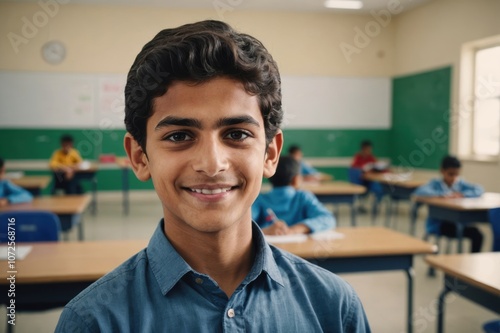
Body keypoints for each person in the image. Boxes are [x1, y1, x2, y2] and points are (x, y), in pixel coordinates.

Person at [55, 20, 370, 332]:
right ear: (140, 157)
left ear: (271, 154)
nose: (212, 163)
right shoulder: (94, 321)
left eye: (236, 133)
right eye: (179, 136)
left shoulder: (334, 309)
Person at [414, 155, 484, 253]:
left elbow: (479, 189)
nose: (454, 178)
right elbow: (420, 191)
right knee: (457, 229)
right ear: (442, 171)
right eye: (450, 174)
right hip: (440, 225)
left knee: (477, 234)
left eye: (457, 175)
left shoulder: (460, 184)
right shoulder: (435, 184)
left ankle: (471, 262)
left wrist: (463, 194)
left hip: (458, 223)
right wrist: (443, 195)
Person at [252, 155, 335, 235]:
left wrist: (265, 231)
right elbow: (328, 219)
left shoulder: (260, 199)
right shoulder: (303, 197)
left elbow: (243, 226)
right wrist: (295, 230)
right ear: (296, 179)